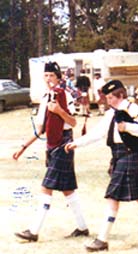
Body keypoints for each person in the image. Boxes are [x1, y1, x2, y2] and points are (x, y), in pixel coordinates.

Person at [64, 80, 138, 252]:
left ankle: (102, 240)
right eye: (107, 96)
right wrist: (77, 143)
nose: (108, 100)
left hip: (130, 154)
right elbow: (98, 133)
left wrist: (126, 126)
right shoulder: (111, 113)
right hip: (118, 155)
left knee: (113, 198)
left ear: (120, 95)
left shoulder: (133, 109)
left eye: (111, 97)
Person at [12, 61, 88, 242]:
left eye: (52, 76)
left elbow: (73, 123)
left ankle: (34, 231)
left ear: (58, 78)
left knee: (46, 187)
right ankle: (83, 227)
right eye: (46, 76)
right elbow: (40, 129)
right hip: (53, 146)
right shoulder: (46, 97)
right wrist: (23, 147)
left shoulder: (65, 95)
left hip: (64, 144)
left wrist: (60, 111)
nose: (48, 79)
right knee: (68, 189)